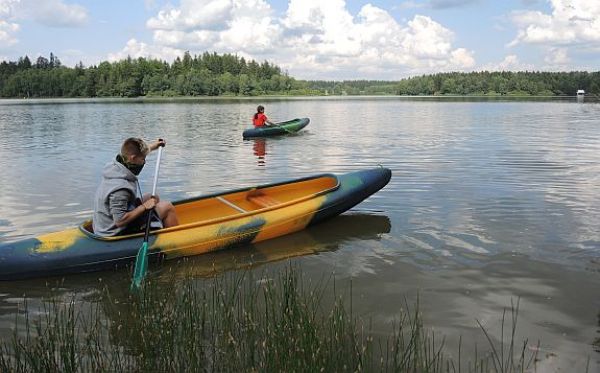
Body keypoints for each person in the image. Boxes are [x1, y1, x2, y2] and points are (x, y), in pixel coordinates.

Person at [92, 137, 179, 237]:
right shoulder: (120, 188)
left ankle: (159, 229)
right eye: (143, 159)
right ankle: (175, 241)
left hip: (109, 222)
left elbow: (137, 153)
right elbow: (120, 221)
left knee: (153, 197)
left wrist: (155, 146)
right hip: (115, 231)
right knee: (167, 207)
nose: (144, 162)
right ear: (133, 158)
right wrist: (144, 207)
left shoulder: (117, 163)